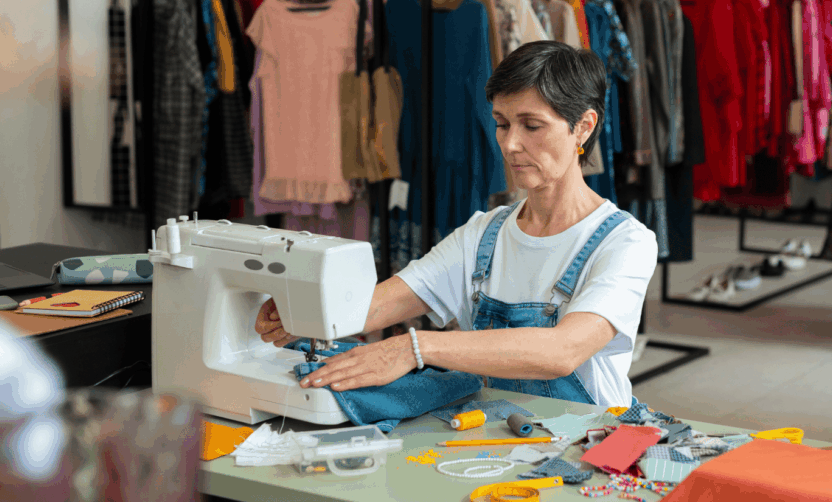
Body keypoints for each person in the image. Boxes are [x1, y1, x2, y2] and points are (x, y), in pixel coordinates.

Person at [255, 41, 658, 407]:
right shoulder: (482, 235)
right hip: (495, 433)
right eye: (502, 123)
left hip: (589, 438)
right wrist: (303, 313)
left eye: (531, 125)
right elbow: (382, 303)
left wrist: (414, 348)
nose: (510, 143)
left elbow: (561, 351)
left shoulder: (625, 243)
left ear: (583, 127)